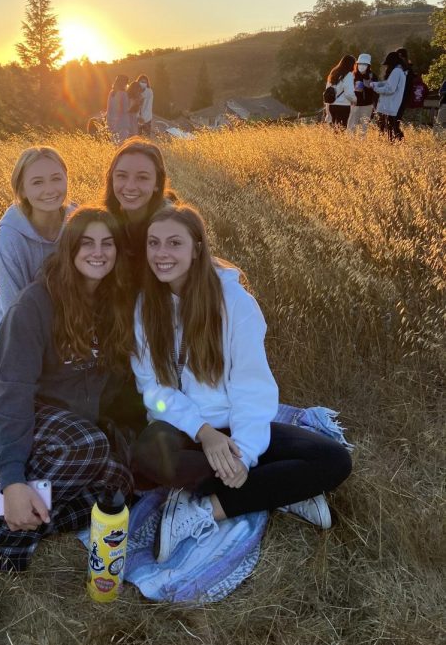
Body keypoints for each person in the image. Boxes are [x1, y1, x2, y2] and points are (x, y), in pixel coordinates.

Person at [0, 207, 135, 635]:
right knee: (86, 447)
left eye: (108, 243)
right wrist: (13, 479)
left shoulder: (116, 306)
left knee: (119, 488)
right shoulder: (38, 302)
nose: (98, 252)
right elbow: (10, 392)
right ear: (69, 248)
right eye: (86, 242)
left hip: (51, 431)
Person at [131, 204, 352, 562]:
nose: (162, 254)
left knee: (333, 460)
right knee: (148, 455)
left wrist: (245, 453)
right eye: (154, 243)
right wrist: (204, 431)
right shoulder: (146, 305)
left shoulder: (235, 303)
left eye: (174, 243)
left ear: (197, 248)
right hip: (185, 429)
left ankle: (204, 511)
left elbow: (252, 389)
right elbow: (153, 389)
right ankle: (283, 489)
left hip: (234, 424)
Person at [0, 146, 73, 342]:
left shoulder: (77, 222)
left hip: (70, 331)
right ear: (22, 190)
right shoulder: (10, 237)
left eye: (56, 178)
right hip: (16, 334)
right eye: (37, 182)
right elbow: (13, 308)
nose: (49, 190)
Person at [103, 137, 178, 288]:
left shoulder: (175, 226)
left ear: (157, 183)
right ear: (111, 179)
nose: (130, 186)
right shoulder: (102, 219)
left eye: (142, 178)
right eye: (121, 176)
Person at [364, 51, 407, 142]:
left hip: (389, 105)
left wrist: (376, 88)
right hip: (391, 105)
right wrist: (375, 84)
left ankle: (388, 145)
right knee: (389, 129)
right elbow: (387, 83)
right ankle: (390, 145)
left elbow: (390, 89)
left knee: (388, 130)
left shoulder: (396, 72)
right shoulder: (400, 71)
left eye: (387, 65)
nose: (387, 67)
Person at [347, 53, 377, 137]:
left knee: (364, 127)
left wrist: (369, 85)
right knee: (351, 126)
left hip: (367, 105)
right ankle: (350, 143)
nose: (361, 66)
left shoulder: (372, 76)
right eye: (360, 64)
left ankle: (362, 145)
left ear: (368, 65)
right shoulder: (353, 75)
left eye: (364, 64)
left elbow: (376, 91)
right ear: (356, 64)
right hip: (354, 104)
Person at [325, 55, 356, 128]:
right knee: (342, 128)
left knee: (334, 128)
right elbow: (349, 93)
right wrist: (355, 100)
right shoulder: (349, 75)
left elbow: (327, 89)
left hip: (332, 105)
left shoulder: (333, 73)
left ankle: (334, 139)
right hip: (343, 106)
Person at [106, 75, 130, 143]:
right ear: (124, 83)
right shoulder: (124, 94)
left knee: (113, 144)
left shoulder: (112, 93)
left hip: (111, 123)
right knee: (121, 145)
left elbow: (108, 108)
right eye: (127, 83)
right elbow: (125, 110)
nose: (127, 85)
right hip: (122, 124)